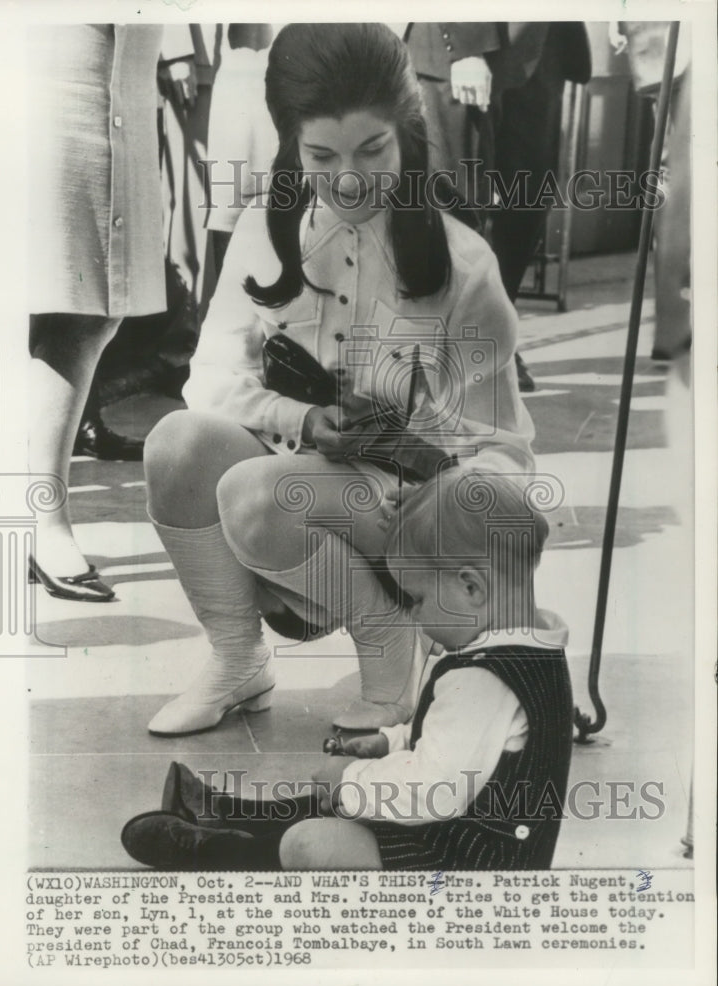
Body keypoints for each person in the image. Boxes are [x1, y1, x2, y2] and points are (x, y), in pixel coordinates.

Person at [143, 22, 536, 736]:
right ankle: (236, 659)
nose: (349, 178)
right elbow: (208, 381)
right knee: (177, 445)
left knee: (259, 491)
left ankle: (389, 645)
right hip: (286, 504)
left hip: (411, 519)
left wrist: (434, 500)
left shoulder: (463, 262)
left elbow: (504, 452)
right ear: (290, 143)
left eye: (372, 149)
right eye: (321, 155)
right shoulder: (265, 230)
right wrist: (300, 419)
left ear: (407, 133)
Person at [121, 468, 573, 871]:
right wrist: (392, 742)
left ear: (471, 587)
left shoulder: (482, 680)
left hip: (462, 865)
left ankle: (220, 852)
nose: (414, 615)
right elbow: (465, 744)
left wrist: (350, 781)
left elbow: (434, 789)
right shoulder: (528, 653)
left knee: (313, 844)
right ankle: (237, 814)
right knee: (351, 807)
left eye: (416, 599)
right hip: (458, 836)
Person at [28, 24, 166, 600]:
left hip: (128, 69)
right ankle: (41, 523)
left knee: (97, 302)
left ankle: (36, 519)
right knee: (49, 295)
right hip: (50, 64)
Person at [406, 22, 592, 391]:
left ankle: (491, 336)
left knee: (528, 199)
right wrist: (466, 48)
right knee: (454, 203)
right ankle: (436, 350)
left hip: (541, 47)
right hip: (464, 44)